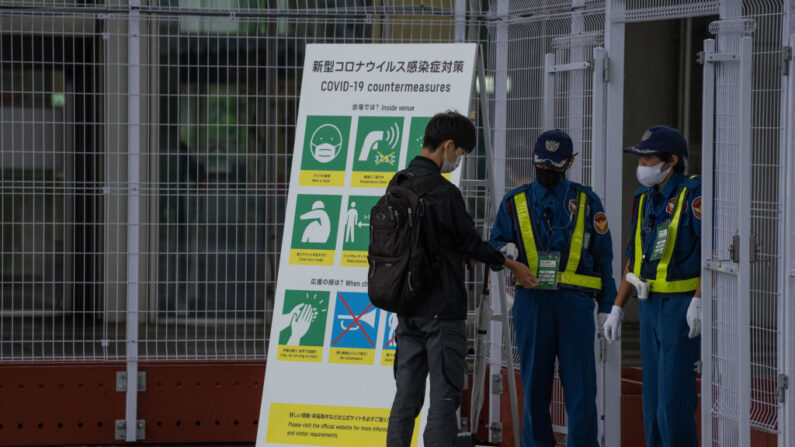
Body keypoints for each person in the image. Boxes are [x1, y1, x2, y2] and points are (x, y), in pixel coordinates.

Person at [386, 111, 536, 447]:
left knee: (405, 399)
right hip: (442, 312)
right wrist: (512, 266)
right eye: (461, 154)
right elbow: (470, 242)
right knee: (443, 399)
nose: (458, 160)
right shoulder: (444, 192)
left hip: (407, 309)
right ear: (448, 146)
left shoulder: (398, 183)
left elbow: (426, 239)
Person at [489, 129, 617, 447]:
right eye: (542, 164)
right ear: (534, 160)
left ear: (570, 162)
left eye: (554, 165)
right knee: (534, 388)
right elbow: (493, 251)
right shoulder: (513, 203)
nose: (546, 171)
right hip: (532, 304)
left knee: (581, 391)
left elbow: (605, 257)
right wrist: (509, 257)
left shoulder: (588, 202)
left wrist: (607, 306)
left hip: (575, 306)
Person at [602, 125, 702, 447]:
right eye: (640, 158)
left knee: (673, 403)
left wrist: (699, 301)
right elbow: (636, 256)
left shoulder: (693, 195)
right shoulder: (643, 199)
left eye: (648, 158)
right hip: (647, 307)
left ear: (672, 160)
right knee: (653, 403)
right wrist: (618, 306)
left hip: (680, 308)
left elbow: (712, 256)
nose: (642, 165)